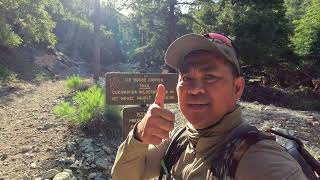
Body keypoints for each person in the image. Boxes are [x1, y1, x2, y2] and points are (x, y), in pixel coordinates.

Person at [111, 33, 307, 180]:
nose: (194, 90)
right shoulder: (176, 142)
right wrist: (138, 136)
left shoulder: (261, 162)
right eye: (186, 78)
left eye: (210, 77)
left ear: (237, 88)